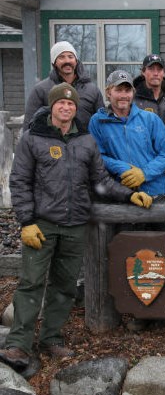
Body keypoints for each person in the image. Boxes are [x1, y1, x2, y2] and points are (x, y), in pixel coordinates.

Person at [0, 83, 152, 371]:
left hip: (75, 225)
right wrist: (27, 221)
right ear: (53, 106)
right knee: (31, 283)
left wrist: (129, 194)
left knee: (64, 286)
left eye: (71, 105)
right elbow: (19, 182)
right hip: (42, 224)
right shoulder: (34, 138)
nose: (66, 108)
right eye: (61, 104)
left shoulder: (85, 140)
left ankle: (51, 338)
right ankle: (18, 344)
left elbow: (101, 182)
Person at [88, 70, 165, 200]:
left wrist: (144, 173)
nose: (123, 95)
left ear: (133, 93)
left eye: (127, 90)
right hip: (122, 194)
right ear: (108, 92)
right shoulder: (98, 121)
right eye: (118, 90)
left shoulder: (150, 119)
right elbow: (97, 156)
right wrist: (122, 167)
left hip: (156, 192)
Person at [23, 41, 104, 130]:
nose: (67, 61)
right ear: (54, 63)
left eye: (70, 57)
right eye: (61, 57)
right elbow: (29, 124)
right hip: (51, 142)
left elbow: (102, 123)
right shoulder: (41, 90)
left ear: (76, 61)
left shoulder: (92, 90)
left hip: (85, 142)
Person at [133, 54, 165, 126]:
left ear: (164, 73)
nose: (155, 73)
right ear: (143, 72)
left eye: (159, 69)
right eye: (151, 69)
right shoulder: (133, 102)